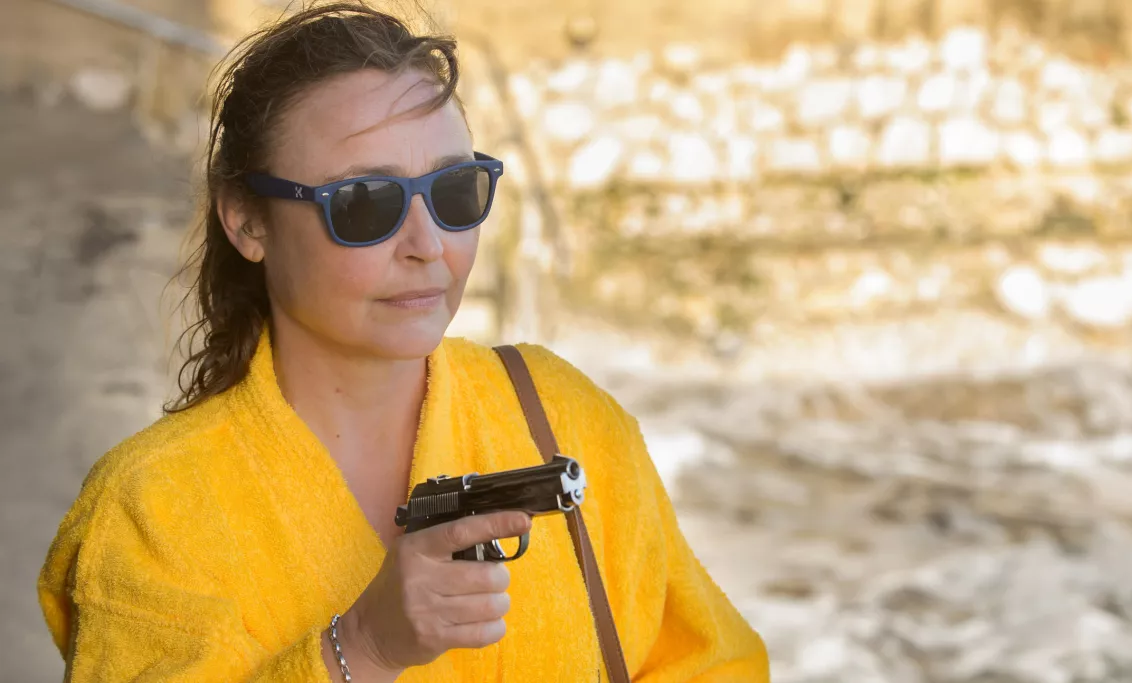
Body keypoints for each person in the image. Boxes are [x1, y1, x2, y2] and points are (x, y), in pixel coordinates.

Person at [36, 2, 770, 681]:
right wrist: (361, 647)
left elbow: (715, 664)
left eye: (454, 192)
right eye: (364, 203)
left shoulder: (562, 416)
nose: (428, 245)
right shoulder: (151, 508)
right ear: (247, 221)